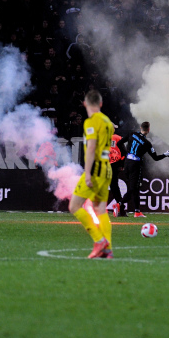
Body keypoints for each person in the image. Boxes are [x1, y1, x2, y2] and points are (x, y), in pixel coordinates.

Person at [68, 90, 115, 259]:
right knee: (100, 209)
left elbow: (92, 147)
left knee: (74, 206)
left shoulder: (91, 122)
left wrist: (87, 173)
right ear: (101, 104)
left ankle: (99, 240)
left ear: (85, 104)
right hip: (107, 168)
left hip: (95, 169)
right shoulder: (107, 121)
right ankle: (107, 249)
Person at [119, 122, 169, 218]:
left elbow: (119, 143)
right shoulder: (147, 144)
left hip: (127, 164)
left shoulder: (132, 134)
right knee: (133, 188)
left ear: (140, 127)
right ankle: (120, 204)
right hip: (135, 165)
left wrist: (125, 154)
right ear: (148, 130)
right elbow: (155, 158)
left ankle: (137, 211)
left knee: (134, 189)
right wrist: (165, 154)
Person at [108, 132, 127, 217]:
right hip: (115, 164)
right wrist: (122, 164)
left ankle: (94, 209)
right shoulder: (118, 137)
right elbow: (124, 152)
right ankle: (121, 208)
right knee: (114, 187)